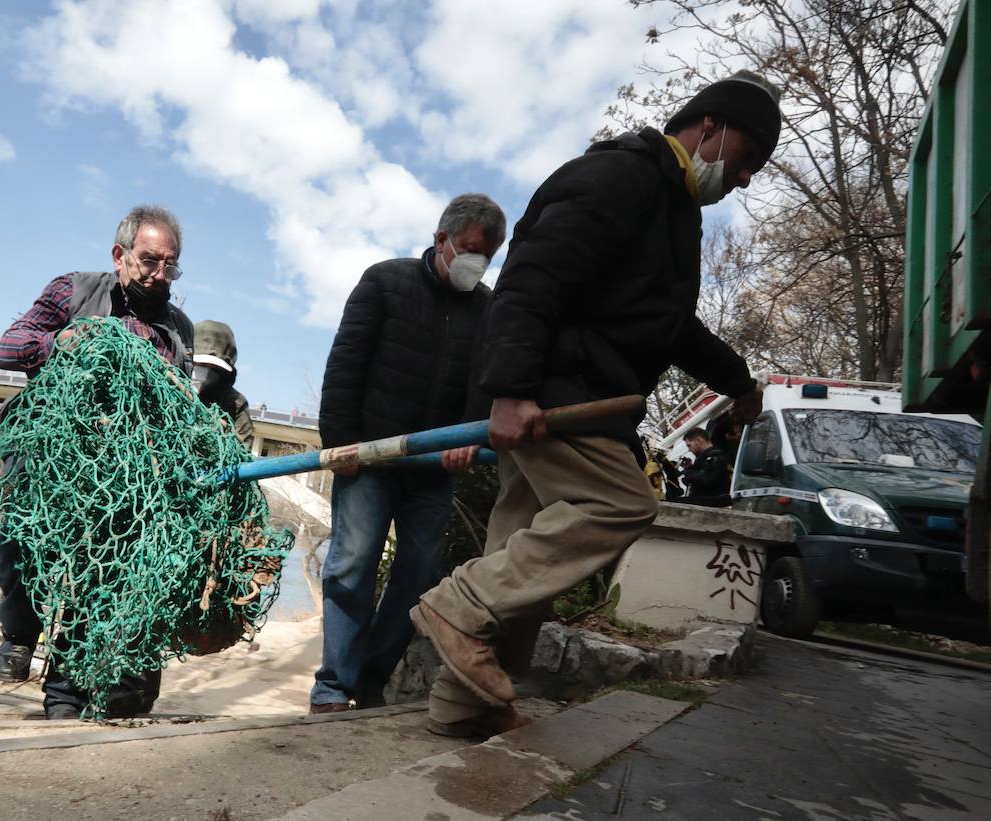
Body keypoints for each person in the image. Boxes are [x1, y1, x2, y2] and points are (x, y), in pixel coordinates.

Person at [411, 71, 779, 738]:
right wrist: (514, 388)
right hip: (559, 394)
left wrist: (739, 380)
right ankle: (458, 603)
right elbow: (533, 275)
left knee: (522, 552)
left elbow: (671, 326)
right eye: (747, 158)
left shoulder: (673, 212)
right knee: (621, 502)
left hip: (574, 392)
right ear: (710, 128)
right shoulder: (622, 178)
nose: (746, 177)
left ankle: (466, 703)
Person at [0, 204, 193, 720]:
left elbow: (183, 407)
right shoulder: (73, 290)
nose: (158, 275)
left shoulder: (177, 329)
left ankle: (62, 701)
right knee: (15, 539)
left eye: (170, 266)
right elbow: (8, 347)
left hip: (121, 475)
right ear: (120, 254)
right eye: (149, 261)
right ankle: (18, 633)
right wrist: (60, 342)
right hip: (46, 456)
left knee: (95, 581)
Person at [311, 193, 507, 714]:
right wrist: (339, 444)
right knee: (350, 565)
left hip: (435, 467)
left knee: (420, 575)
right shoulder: (384, 281)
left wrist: (470, 436)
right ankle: (333, 686)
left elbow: (483, 386)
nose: (475, 263)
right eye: (468, 249)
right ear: (441, 239)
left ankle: (372, 678)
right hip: (370, 458)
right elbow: (346, 363)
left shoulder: (488, 309)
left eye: (486, 256)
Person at [192, 319, 254, 444]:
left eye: (212, 368)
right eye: (198, 364)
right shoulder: (167, 386)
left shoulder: (236, 403)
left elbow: (242, 450)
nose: (203, 373)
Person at [681, 426, 731, 499]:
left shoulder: (716, 455)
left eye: (689, 445)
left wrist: (687, 472)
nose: (689, 449)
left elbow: (706, 479)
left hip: (713, 503)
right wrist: (690, 468)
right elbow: (695, 483)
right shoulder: (703, 458)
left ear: (699, 440)